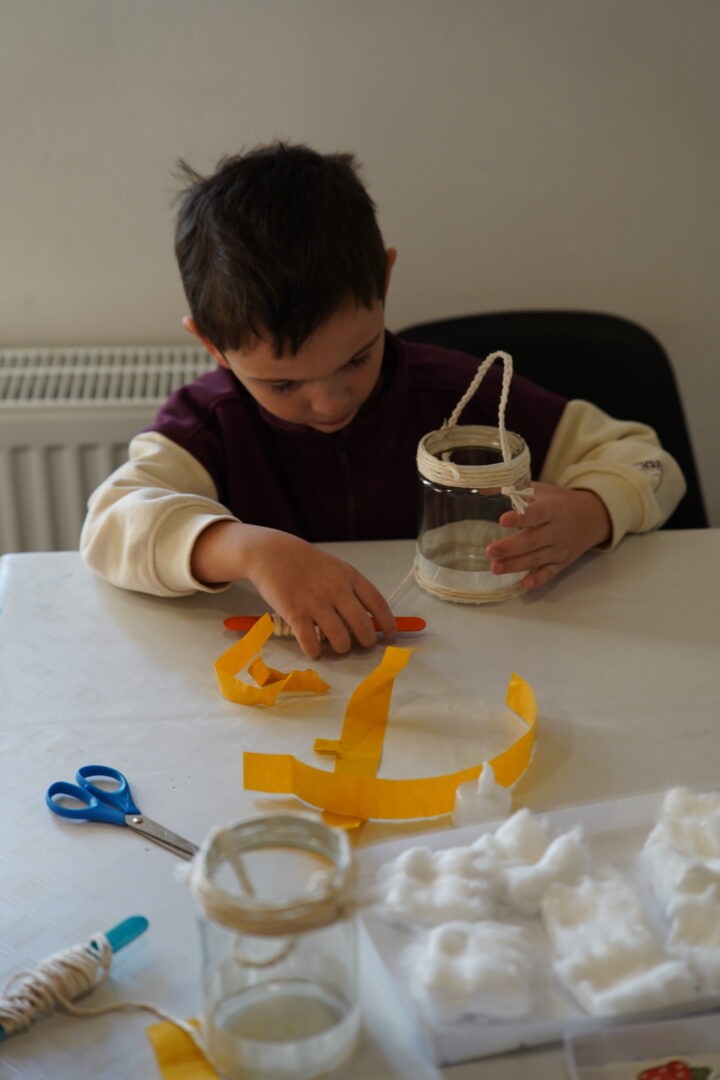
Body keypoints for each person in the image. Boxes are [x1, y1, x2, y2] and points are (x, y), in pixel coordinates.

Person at [80, 141, 686, 658]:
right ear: (211, 344)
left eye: (355, 359)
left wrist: (592, 510)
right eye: (283, 384)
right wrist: (246, 550)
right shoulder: (208, 425)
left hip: (480, 663)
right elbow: (109, 525)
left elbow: (648, 461)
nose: (328, 402)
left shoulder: (461, 395)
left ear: (385, 281)